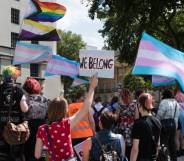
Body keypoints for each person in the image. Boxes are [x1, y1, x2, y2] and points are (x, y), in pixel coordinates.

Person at [35, 75, 98, 161]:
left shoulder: (42, 129)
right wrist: (92, 87)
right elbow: (85, 108)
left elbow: (37, 155)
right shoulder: (66, 124)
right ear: (65, 111)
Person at [0, 66, 29, 161]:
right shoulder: (19, 89)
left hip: (1, 127)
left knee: (2, 154)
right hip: (16, 127)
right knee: (16, 154)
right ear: (13, 76)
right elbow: (24, 109)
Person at [23, 77, 49, 161]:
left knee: (28, 155)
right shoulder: (45, 100)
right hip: (42, 130)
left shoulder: (24, 100)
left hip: (28, 131)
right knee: (41, 156)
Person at [130, 93, 161, 161]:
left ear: (140, 105)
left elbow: (135, 149)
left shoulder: (138, 124)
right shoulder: (157, 122)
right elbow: (158, 145)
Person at [157, 89, 180, 161]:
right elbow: (176, 116)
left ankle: (165, 158)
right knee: (172, 143)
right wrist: (175, 126)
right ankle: (174, 158)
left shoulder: (164, 102)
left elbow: (159, 115)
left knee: (164, 143)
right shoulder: (176, 103)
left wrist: (156, 122)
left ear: (164, 95)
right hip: (173, 125)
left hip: (164, 126)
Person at [116, 88, 139, 160]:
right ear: (129, 95)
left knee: (123, 146)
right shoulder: (135, 104)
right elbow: (137, 117)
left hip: (122, 127)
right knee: (132, 146)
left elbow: (116, 117)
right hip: (132, 127)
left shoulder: (119, 105)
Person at [175, 88, 184, 156]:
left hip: (178, 115)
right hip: (183, 115)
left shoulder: (176, 96)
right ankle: (183, 149)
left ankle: (178, 151)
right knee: (183, 135)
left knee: (177, 135)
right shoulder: (183, 95)